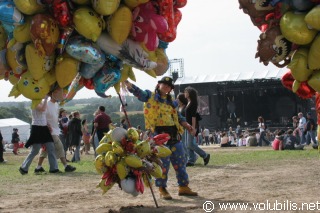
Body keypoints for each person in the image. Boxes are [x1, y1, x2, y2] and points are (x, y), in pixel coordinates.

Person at [124, 76, 198, 200]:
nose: (167, 87)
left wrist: (186, 124)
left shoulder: (172, 101)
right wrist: (127, 83)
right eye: (164, 84)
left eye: (169, 86)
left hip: (174, 135)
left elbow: (178, 116)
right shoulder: (150, 96)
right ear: (159, 85)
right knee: (162, 165)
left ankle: (183, 187)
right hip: (158, 136)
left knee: (181, 162)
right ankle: (162, 188)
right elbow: (138, 92)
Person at [35, 87, 76, 174]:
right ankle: (66, 166)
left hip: (54, 129)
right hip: (48, 130)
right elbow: (42, 116)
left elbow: (55, 117)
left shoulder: (56, 105)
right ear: (51, 94)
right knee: (60, 146)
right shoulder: (46, 104)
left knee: (45, 150)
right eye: (57, 92)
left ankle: (38, 167)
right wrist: (46, 125)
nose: (59, 95)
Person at [19, 96, 60, 175]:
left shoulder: (42, 102)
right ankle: (23, 168)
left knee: (51, 147)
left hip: (44, 127)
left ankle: (54, 168)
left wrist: (48, 124)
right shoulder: (34, 102)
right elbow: (43, 109)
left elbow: (44, 115)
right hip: (37, 128)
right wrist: (45, 99)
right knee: (35, 150)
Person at [184, 86, 210, 167]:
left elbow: (193, 117)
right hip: (187, 125)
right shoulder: (188, 102)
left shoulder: (193, 103)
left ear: (190, 94)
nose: (185, 93)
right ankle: (191, 160)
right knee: (187, 144)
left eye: (186, 92)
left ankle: (205, 155)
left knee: (190, 144)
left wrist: (193, 128)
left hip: (191, 126)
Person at [176, 92, 189, 163]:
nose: (176, 100)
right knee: (182, 143)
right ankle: (192, 156)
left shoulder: (185, 108)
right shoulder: (178, 107)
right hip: (180, 128)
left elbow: (186, 118)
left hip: (184, 127)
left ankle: (187, 158)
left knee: (184, 143)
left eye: (178, 98)